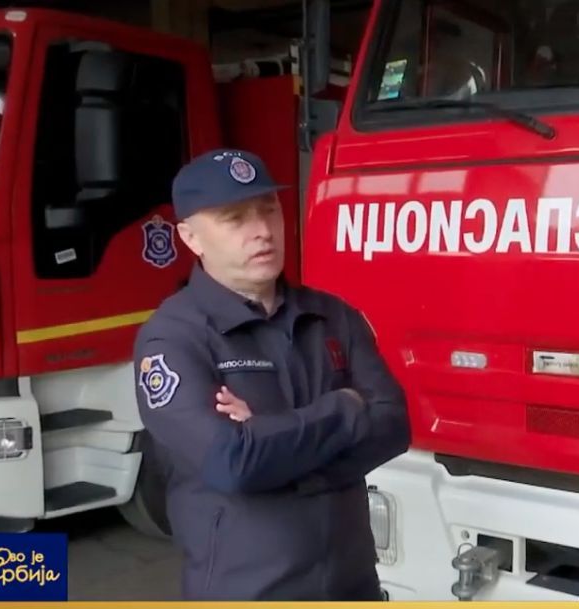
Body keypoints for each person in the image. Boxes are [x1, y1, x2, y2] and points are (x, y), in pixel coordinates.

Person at [131, 148, 411, 601]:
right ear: (190, 237)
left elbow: (394, 426)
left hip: (352, 584)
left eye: (269, 210)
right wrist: (346, 406)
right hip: (249, 590)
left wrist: (273, 446)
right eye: (235, 218)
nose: (262, 230)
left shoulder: (332, 317)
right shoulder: (174, 337)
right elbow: (232, 462)